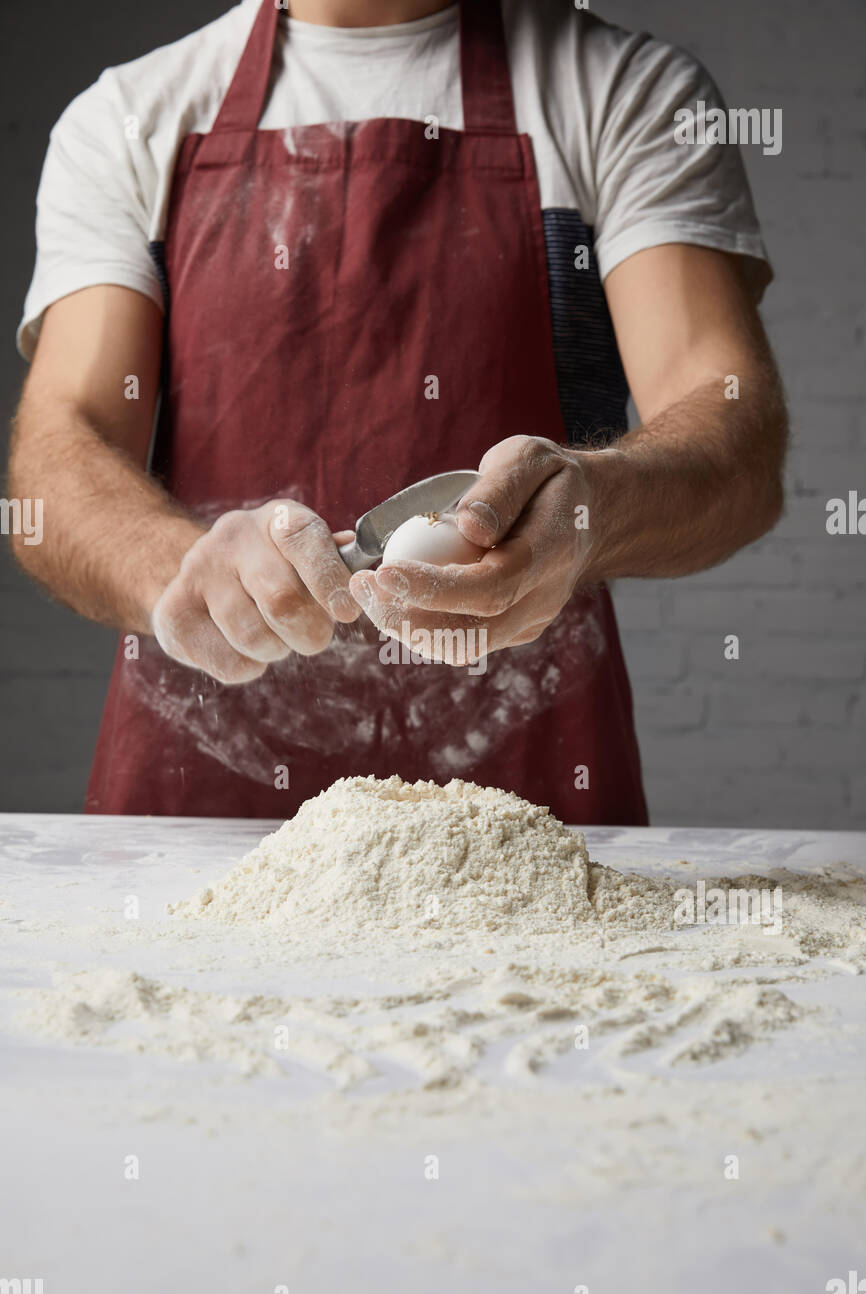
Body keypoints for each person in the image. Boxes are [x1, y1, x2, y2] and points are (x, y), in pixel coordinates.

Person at [9, 0, 787, 822]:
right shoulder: (130, 117)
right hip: (193, 822)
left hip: (530, 818)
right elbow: (62, 448)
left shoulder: (626, 93)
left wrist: (592, 504)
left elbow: (732, 433)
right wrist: (187, 570)